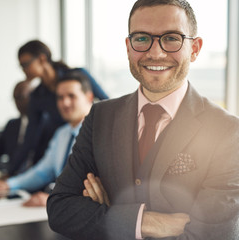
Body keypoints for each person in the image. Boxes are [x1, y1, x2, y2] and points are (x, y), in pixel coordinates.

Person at [46, 0, 239, 240]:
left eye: (171, 38)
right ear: (128, 47)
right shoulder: (100, 117)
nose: (155, 52)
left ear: (195, 48)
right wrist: (145, 222)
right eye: (141, 38)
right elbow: (60, 210)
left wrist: (107, 214)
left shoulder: (227, 131)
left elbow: (213, 235)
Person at [0, 69, 93, 207]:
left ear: (89, 97)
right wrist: (8, 185)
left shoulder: (100, 133)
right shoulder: (62, 134)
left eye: (71, 96)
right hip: (59, 210)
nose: (65, 103)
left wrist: (51, 199)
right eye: (60, 97)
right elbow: (42, 172)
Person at [9, 40, 108, 175]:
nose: (23, 70)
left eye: (25, 64)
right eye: (21, 66)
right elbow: (29, 139)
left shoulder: (77, 77)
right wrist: (9, 173)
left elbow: (107, 104)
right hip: (60, 149)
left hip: (89, 141)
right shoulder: (37, 96)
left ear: (42, 59)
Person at [0, 80, 33, 175]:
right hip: (11, 176)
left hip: (35, 179)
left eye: (21, 97)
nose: (17, 102)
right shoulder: (12, 125)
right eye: (15, 98)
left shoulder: (45, 124)